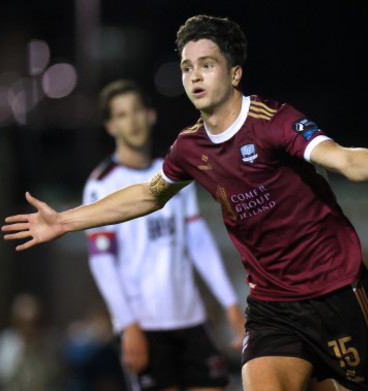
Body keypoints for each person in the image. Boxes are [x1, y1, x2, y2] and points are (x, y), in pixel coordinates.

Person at [2, 14, 368, 391]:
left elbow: (342, 160)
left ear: (234, 73)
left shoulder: (274, 121)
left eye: (206, 65)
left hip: (336, 290)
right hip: (272, 306)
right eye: (186, 67)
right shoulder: (188, 148)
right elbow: (147, 195)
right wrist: (63, 221)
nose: (194, 76)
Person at [82, 79, 246, 391]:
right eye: (121, 115)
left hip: (191, 319)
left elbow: (198, 242)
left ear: (151, 115)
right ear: (110, 126)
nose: (132, 121)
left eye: (137, 111)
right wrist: (128, 325)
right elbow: (102, 263)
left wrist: (230, 303)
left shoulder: (173, 173)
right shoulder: (100, 185)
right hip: (144, 326)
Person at [0, 292, 63, 391]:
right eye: (24, 323)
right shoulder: (7, 341)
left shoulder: (49, 340)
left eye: (34, 322)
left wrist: (41, 352)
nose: (29, 328)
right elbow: (2, 376)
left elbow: (55, 374)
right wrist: (20, 352)